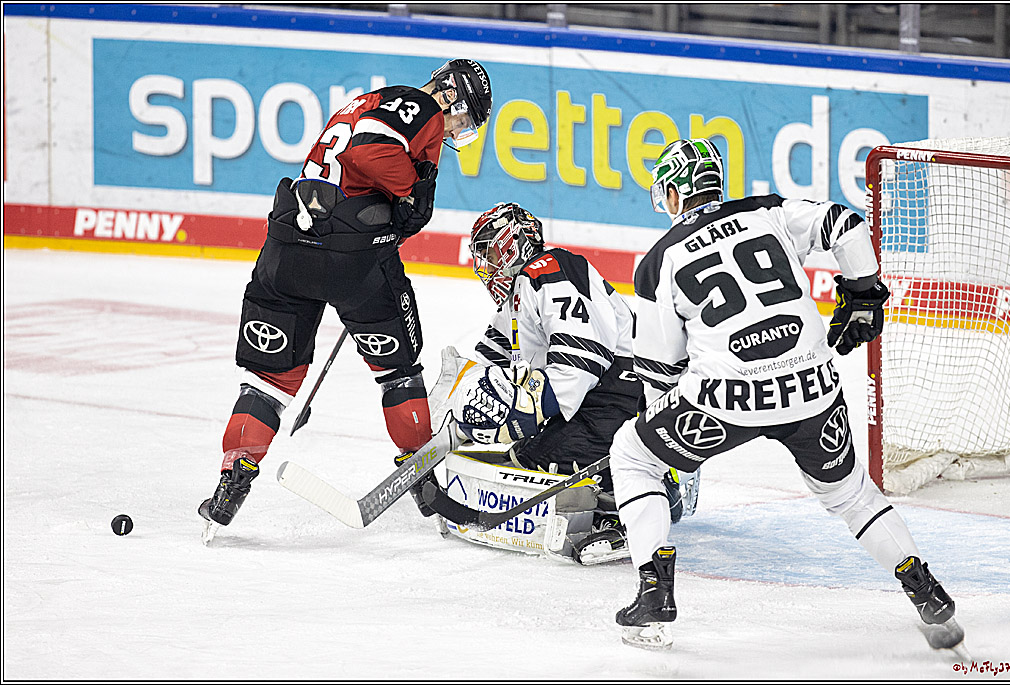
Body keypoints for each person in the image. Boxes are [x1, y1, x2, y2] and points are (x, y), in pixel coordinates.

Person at [609, 138, 965, 652]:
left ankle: (653, 591)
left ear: (673, 193)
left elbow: (660, 366)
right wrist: (863, 293)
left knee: (632, 455)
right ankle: (925, 591)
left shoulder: (657, 261)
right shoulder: (766, 211)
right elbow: (847, 224)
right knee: (852, 496)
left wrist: (667, 437)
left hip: (723, 399)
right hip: (814, 388)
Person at [198, 59, 493, 531]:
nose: (459, 129)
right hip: (351, 255)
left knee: (269, 379)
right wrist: (411, 192)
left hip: (288, 245)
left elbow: (347, 161)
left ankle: (233, 480)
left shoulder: (365, 103)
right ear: (452, 96)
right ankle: (425, 482)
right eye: (466, 118)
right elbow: (367, 155)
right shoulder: (422, 107)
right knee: (398, 371)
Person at [428, 202, 699, 564]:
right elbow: (488, 367)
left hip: (628, 392)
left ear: (514, 242)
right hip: (602, 397)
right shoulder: (516, 299)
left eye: (490, 252)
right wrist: (457, 411)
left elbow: (583, 358)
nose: (484, 266)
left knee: (544, 464)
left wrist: (528, 408)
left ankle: (654, 489)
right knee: (523, 458)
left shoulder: (550, 269)